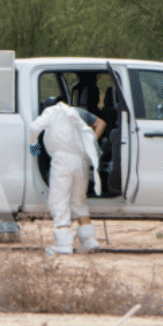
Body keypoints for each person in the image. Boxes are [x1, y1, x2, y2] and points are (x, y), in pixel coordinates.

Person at [28, 98, 107, 255]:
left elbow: (33, 128)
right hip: (81, 162)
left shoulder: (51, 112)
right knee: (78, 202)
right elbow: (101, 123)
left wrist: (34, 148)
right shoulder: (78, 112)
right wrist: (91, 143)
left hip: (62, 162)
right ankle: (89, 241)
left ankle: (63, 245)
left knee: (59, 202)